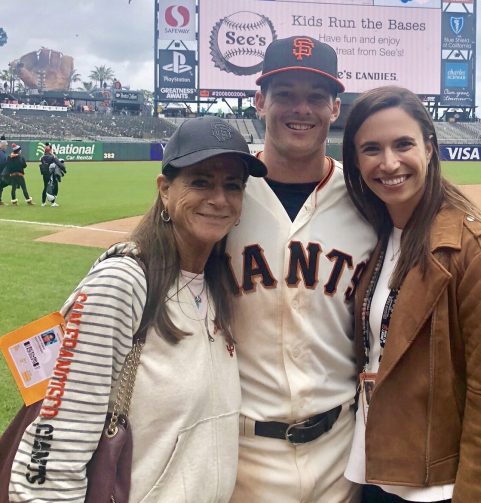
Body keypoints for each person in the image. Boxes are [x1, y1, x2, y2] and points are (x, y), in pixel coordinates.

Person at [9, 116, 267, 502]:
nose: (219, 199)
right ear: (165, 190)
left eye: (233, 186)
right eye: (201, 182)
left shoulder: (216, 283)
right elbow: (54, 450)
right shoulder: (123, 283)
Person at [342, 86, 481, 503]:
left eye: (403, 144)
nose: (389, 163)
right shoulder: (378, 234)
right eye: (371, 149)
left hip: (435, 488)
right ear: (355, 161)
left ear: (429, 148)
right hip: (376, 469)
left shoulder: (480, 250)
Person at [226, 36, 377, 502]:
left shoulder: (369, 202)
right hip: (241, 454)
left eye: (315, 96)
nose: (300, 108)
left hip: (342, 451)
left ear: (335, 107)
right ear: (259, 101)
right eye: (285, 93)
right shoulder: (222, 196)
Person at [0, 140, 9, 205]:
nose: (6, 147)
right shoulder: (1, 153)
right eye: (6, 145)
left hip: (3, 172)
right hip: (1, 172)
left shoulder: (3, 153)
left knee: (1, 186)